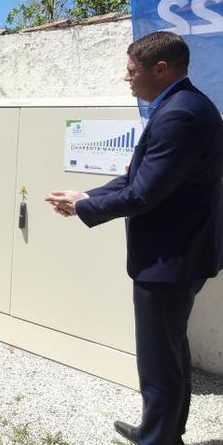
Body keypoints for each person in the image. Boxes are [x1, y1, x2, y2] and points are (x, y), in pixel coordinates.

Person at [45, 31, 223, 445]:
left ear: (159, 69)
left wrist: (82, 208)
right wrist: (88, 195)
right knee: (171, 349)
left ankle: (157, 439)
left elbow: (143, 194)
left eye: (131, 71)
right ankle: (161, 429)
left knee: (159, 360)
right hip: (181, 255)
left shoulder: (180, 115)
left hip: (168, 260)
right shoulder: (185, 105)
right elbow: (135, 178)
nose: (127, 79)